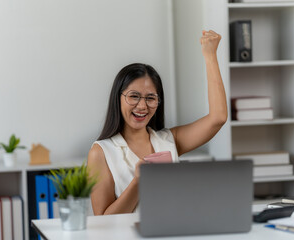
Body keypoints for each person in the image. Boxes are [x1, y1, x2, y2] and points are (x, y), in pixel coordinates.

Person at [87, 30, 227, 215]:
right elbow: (103, 221)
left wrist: (210, 56)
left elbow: (218, 118)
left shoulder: (169, 140)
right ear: (118, 98)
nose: (142, 106)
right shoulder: (101, 152)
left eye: (150, 98)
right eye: (134, 96)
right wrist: (138, 182)